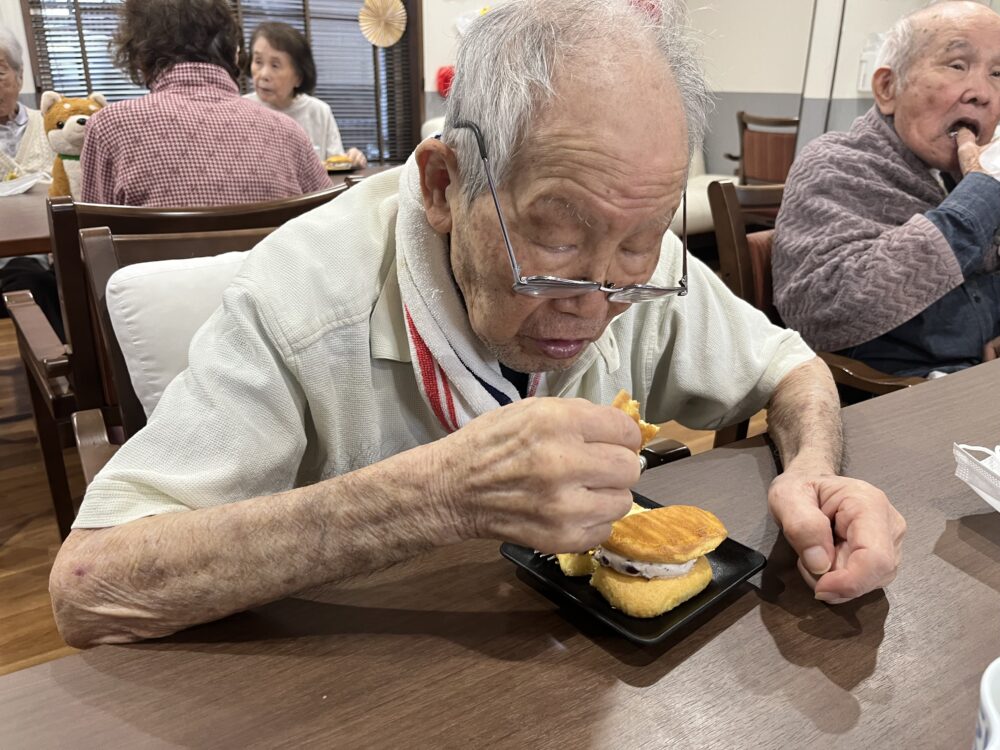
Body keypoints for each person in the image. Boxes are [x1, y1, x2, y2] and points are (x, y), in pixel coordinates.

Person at [49, 0, 905, 648]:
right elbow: (87, 587)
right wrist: (438, 494)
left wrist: (815, 473)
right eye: (557, 235)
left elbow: (791, 369)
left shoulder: (639, 267)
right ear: (441, 186)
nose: (597, 298)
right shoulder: (300, 295)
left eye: (641, 242)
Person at [773, 1, 1000, 377]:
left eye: (998, 72)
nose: (982, 93)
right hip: (892, 402)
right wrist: (982, 195)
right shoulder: (835, 164)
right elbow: (822, 310)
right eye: (957, 65)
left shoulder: (964, 172)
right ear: (888, 87)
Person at [80, 0, 331, 207]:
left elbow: (90, 244)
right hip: (265, 269)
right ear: (235, 53)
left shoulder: (108, 127)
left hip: (160, 268)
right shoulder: (288, 131)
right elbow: (332, 222)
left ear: (139, 57)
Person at [0, 26, 62, 340]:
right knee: (25, 277)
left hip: (57, 248)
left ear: (19, 76)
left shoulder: (51, 127)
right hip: (10, 257)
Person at [245, 22, 367, 168]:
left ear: (298, 77)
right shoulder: (240, 110)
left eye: (275, 65)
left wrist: (352, 160)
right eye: (258, 61)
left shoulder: (319, 112)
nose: (263, 74)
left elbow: (335, 168)